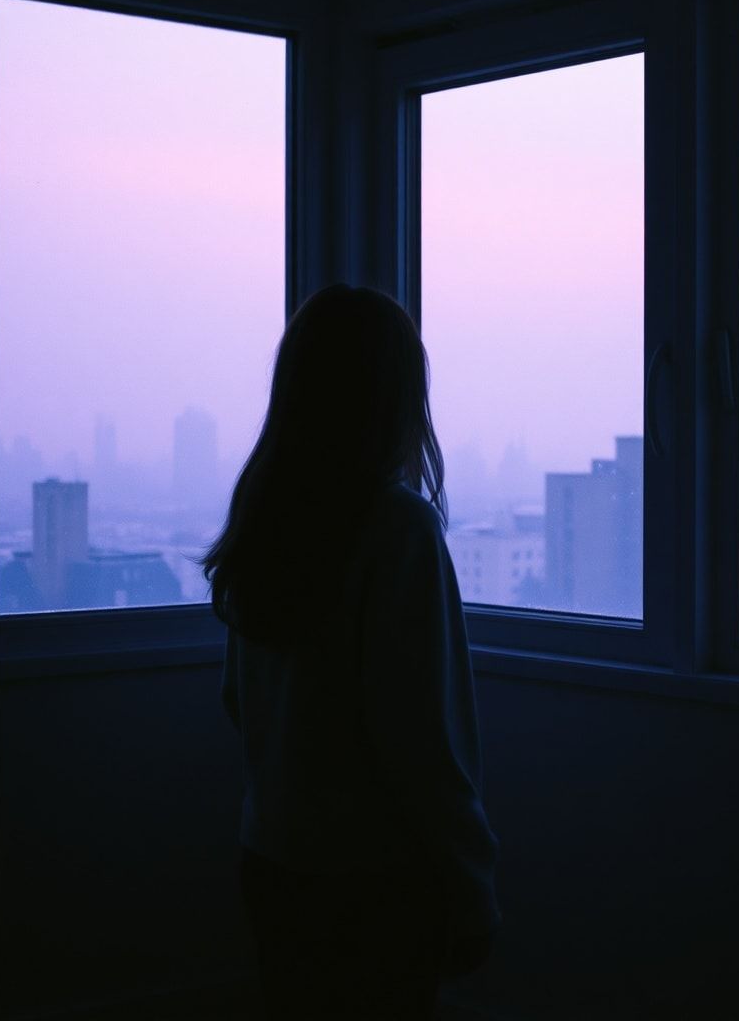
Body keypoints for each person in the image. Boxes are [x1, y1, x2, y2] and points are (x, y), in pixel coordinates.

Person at [201, 284, 500, 1019]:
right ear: (396, 399)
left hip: (273, 859)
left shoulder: (266, 520)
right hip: (378, 881)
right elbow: (424, 740)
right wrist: (472, 881)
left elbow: (238, 699)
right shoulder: (399, 532)